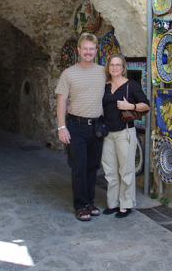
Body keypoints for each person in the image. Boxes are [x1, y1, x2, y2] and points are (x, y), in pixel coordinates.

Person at [55, 32, 106, 221]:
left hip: (96, 126)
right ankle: (80, 205)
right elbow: (61, 101)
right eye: (84, 48)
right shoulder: (68, 74)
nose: (88, 52)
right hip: (76, 126)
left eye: (91, 49)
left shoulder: (103, 72)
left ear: (96, 50)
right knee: (79, 166)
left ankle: (89, 201)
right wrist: (62, 127)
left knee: (92, 167)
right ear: (78, 50)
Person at [101, 53, 150, 218]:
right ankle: (113, 203)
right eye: (112, 65)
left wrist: (130, 105)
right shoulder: (105, 86)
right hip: (108, 134)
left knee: (126, 170)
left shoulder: (131, 85)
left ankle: (126, 204)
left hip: (125, 132)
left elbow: (146, 105)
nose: (115, 68)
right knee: (109, 170)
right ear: (108, 67)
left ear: (123, 68)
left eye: (118, 65)